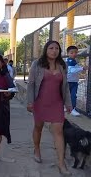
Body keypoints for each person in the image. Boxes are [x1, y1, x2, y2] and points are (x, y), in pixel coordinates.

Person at [27, 41, 72, 175]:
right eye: (51, 48)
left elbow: (66, 86)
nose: (54, 51)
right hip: (40, 102)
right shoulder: (37, 64)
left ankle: (61, 163)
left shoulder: (62, 65)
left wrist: (68, 103)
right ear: (46, 49)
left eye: (57, 48)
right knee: (38, 127)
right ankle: (37, 149)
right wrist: (30, 102)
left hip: (57, 103)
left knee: (58, 131)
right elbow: (31, 84)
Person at [66, 45, 89, 116]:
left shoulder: (74, 61)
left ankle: (72, 109)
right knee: (68, 96)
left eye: (76, 52)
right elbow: (72, 70)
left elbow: (75, 69)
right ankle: (69, 108)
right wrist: (82, 68)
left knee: (73, 96)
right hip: (68, 82)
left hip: (74, 82)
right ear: (68, 53)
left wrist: (82, 68)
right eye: (71, 52)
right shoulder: (69, 61)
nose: (74, 54)